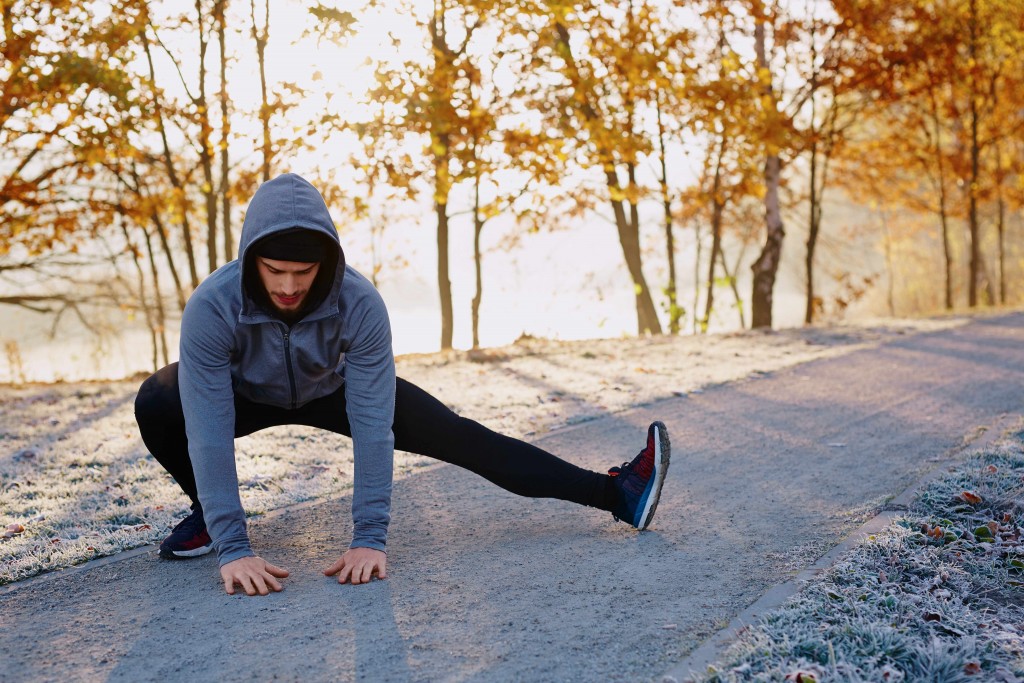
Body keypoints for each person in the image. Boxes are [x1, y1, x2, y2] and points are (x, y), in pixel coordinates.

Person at [133, 173, 672, 597]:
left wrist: (369, 537)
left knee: (463, 436)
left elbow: (372, 427)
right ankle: (209, 517)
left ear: (328, 261)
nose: (290, 286)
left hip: (331, 389)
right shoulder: (213, 305)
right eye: (276, 271)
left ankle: (617, 494)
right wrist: (235, 547)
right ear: (252, 259)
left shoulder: (359, 302)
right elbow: (207, 429)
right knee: (158, 400)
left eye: (305, 271)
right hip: (242, 392)